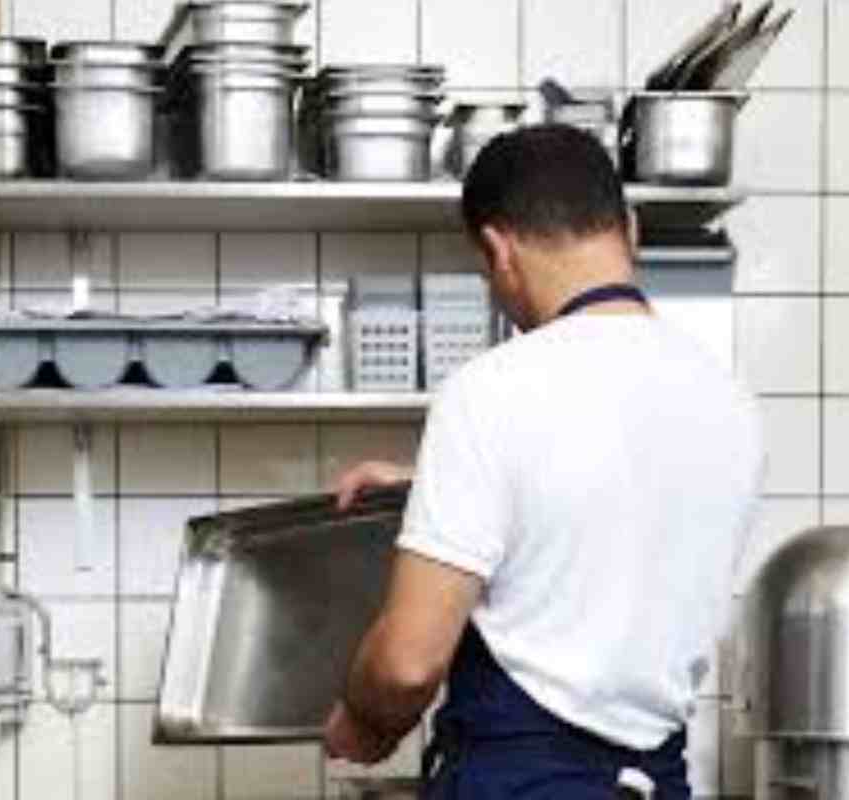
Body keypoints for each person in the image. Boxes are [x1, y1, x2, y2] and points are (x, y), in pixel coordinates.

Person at [322, 125, 763, 799]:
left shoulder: (492, 390)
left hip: (521, 782)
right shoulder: (727, 401)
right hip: (654, 782)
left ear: (498, 251)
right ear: (631, 230)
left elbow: (408, 665)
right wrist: (431, 486)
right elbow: (614, 498)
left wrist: (364, 720)